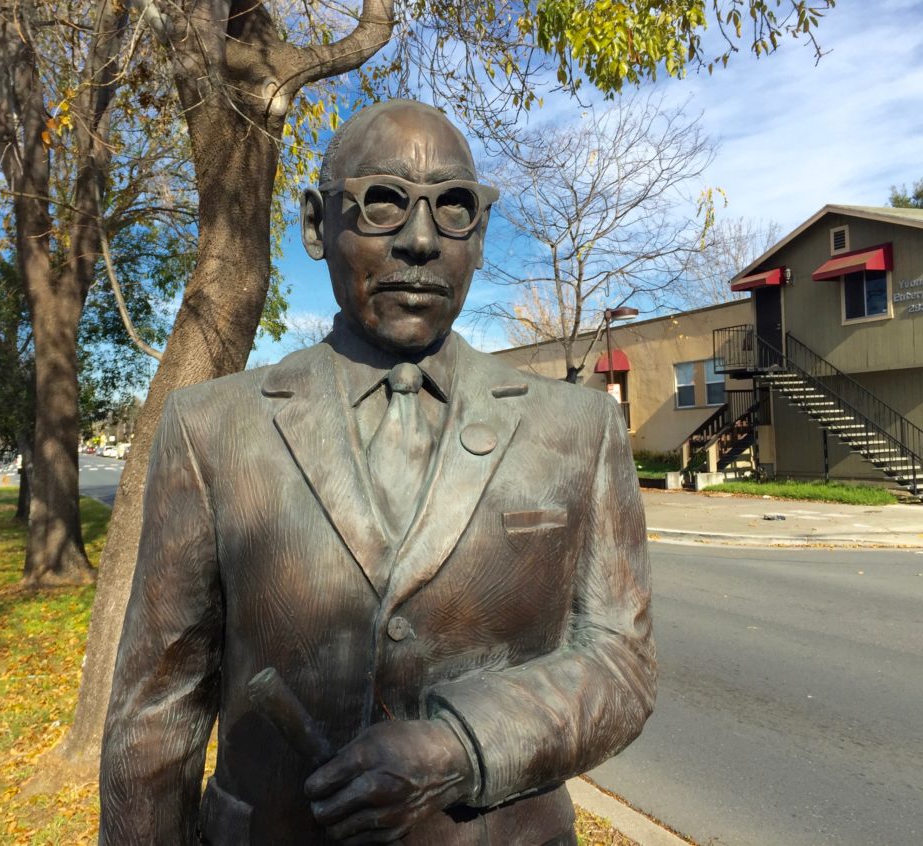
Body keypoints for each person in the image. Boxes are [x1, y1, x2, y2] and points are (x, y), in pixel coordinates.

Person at [99, 99, 655, 846]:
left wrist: (461, 748)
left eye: (452, 208)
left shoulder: (580, 430)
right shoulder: (212, 427)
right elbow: (155, 713)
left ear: (480, 235)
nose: (420, 240)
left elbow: (619, 664)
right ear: (314, 224)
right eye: (382, 203)